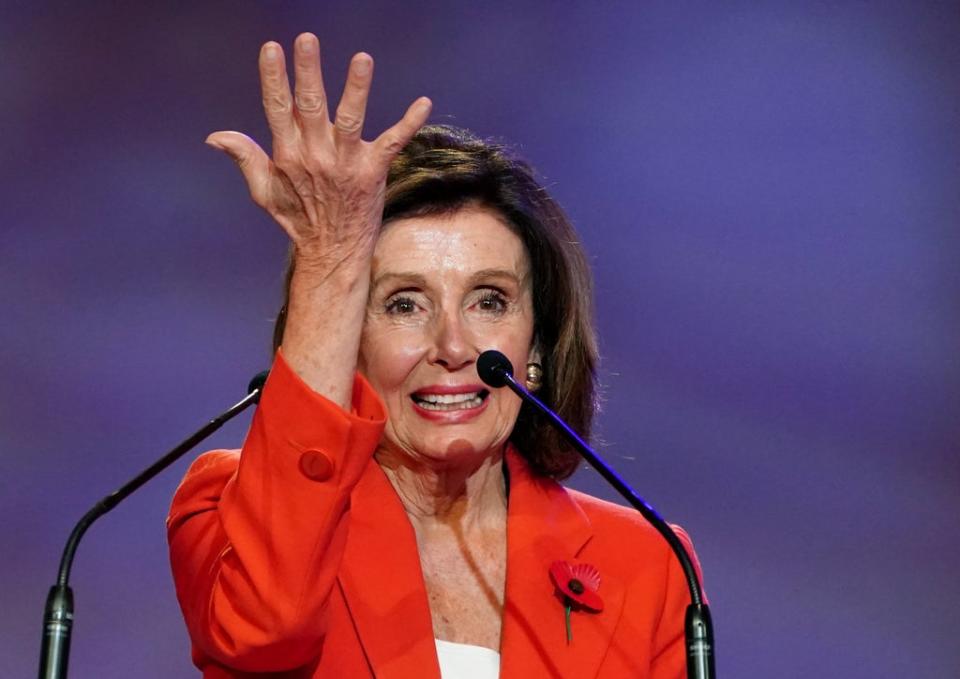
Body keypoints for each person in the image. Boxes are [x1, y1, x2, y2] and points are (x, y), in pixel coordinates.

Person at [167, 33, 704, 679]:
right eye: (403, 304)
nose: (453, 347)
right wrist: (331, 259)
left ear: (535, 342)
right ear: (348, 343)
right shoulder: (231, 507)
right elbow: (262, 633)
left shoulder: (648, 560)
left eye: (489, 300)